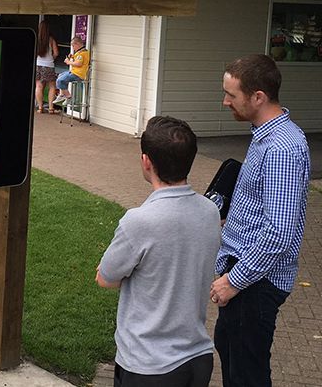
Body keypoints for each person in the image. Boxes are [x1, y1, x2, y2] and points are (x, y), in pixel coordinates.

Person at [96, 115, 221, 387]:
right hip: (197, 358)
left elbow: (105, 278)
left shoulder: (138, 221)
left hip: (148, 366)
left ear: (146, 161)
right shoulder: (210, 212)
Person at [210, 54, 310, 387]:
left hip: (255, 282)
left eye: (231, 95)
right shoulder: (263, 134)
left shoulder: (282, 148)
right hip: (246, 274)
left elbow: (279, 232)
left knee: (247, 375)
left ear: (258, 97)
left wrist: (233, 281)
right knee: (230, 350)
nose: (225, 102)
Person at [53, 36, 90, 105]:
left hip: (77, 74)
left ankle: (69, 97)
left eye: (73, 46)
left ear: (77, 44)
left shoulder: (82, 53)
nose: (73, 48)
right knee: (60, 75)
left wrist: (68, 62)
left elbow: (78, 63)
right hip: (74, 72)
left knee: (60, 80)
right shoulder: (81, 52)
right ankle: (61, 95)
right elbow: (78, 59)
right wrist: (72, 57)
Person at [34, 21, 59, 114]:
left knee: (39, 86)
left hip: (38, 65)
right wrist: (52, 58)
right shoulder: (51, 39)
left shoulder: (36, 39)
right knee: (52, 86)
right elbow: (56, 53)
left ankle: (40, 108)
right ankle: (51, 108)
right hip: (49, 65)